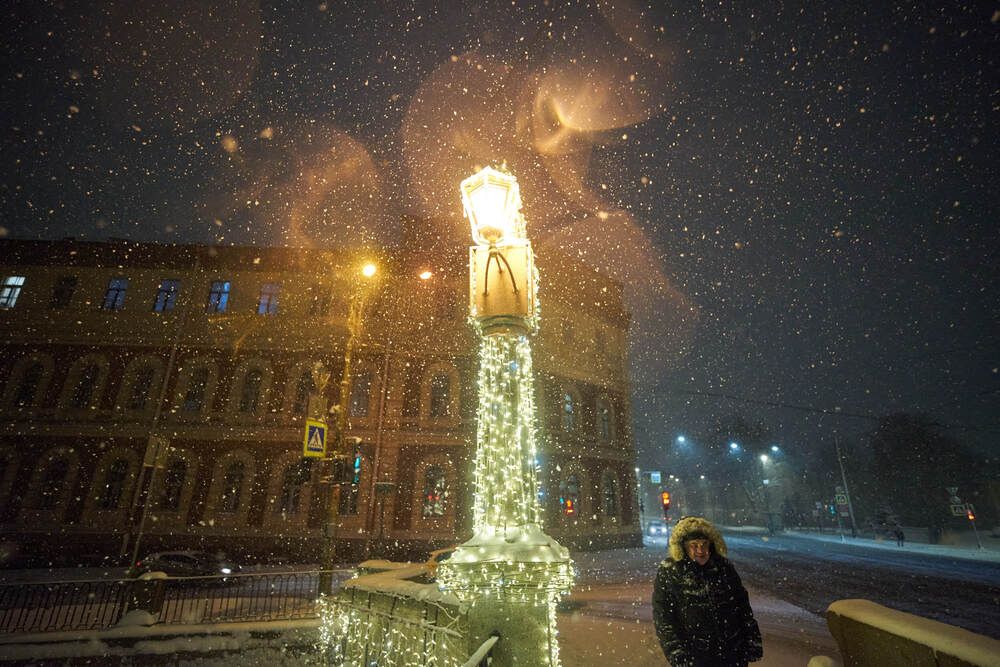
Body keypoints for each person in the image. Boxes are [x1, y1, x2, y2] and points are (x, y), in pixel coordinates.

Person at [652, 516, 763, 666]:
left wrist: (752, 638)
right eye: (694, 545)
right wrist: (676, 652)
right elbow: (663, 617)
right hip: (695, 657)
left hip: (733, 653)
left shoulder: (723, 568)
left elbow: (742, 606)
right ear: (683, 547)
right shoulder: (670, 572)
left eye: (705, 544)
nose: (701, 550)